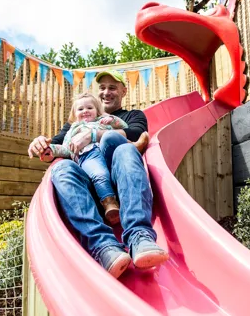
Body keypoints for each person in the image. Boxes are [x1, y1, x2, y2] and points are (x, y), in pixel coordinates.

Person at [28, 69, 169, 279]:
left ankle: (139, 236)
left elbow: (137, 134)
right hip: (90, 187)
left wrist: (94, 134)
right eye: (102, 88)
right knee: (60, 168)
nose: (106, 92)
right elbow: (55, 146)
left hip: (121, 183)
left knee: (125, 148)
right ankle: (104, 247)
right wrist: (40, 144)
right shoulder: (74, 125)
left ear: (123, 90)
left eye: (112, 87)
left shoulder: (130, 116)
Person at [39, 91, 149, 225]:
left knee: (111, 137)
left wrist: (112, 119)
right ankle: (109, 203)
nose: (85, 111)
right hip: (88, 156)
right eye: (80, 109)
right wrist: (52, 151)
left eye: (89, 108)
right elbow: (66, 148)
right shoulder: (73, 130)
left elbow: (125, 128)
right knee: (99, 174)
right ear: (74, 115)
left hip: (108, 155)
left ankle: (133, 146)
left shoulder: (102, 123)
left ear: (97, 111)